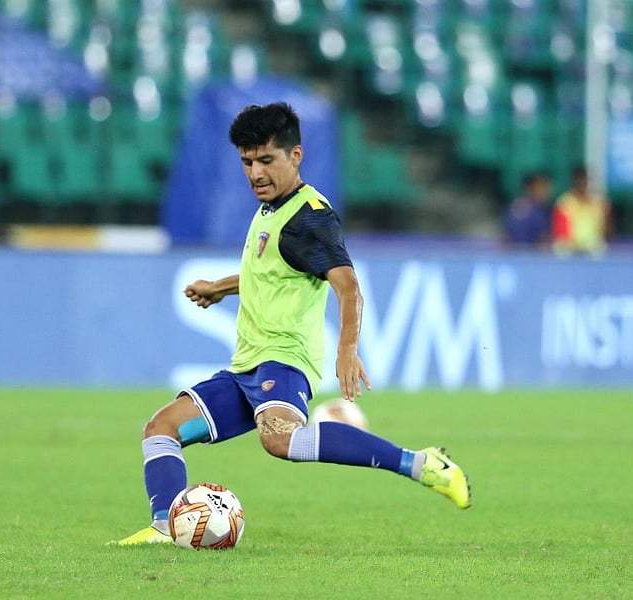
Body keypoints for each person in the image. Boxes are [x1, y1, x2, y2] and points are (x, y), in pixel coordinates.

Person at [110, 103, 471, 546]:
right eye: (247, 162)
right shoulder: (270, 211)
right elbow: (270, 270)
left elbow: (348, 286)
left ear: (294, 156)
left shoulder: (310, 217)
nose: (255, 173)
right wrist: (221, 288)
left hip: (283, 360)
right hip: (247, 366)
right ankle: (165, 527)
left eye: (266, 160)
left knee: (279, 440)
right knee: (161, 428)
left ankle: (421, 464)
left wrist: (346, 350)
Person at [552, 166, 612, 257]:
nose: (582, 183)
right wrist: (574, 245)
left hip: (593, 247)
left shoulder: (599, 203)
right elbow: (561, 232)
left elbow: (606, 229)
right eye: (579, 180)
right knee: (561, 248)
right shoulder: (564, 203)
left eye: (585, 180)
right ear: (573, 182)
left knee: (600, 249)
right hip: (569, 247)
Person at [503, 171, 553, 248]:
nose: (546, 191)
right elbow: (544, 245)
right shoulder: (537, 214)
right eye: (541, 187)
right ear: (529, 188)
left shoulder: (513, 207)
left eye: (546, 187)